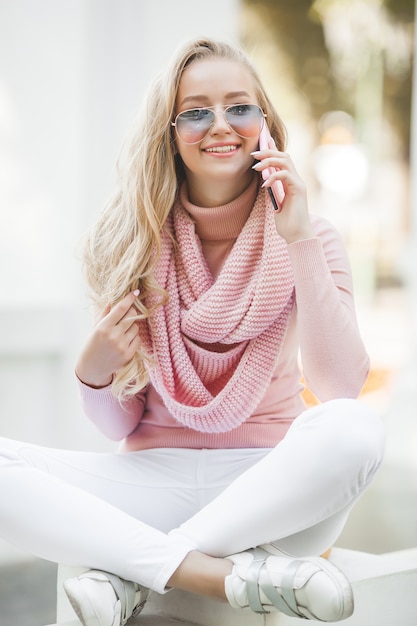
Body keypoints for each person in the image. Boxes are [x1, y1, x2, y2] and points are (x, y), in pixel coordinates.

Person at [0, 37, 385, 626]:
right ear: (169, 133)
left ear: (266, 125)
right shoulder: (133, 242)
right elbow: (118, 423)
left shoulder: (311, 235)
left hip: (271, 491)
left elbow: (338, 387)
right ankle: (214, 573)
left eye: (240, 107)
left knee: (357, 428)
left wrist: (299, 239)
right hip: (151, 481)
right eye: (196, 111)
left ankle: (130, 572)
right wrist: (94, 372)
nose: (220, 125)